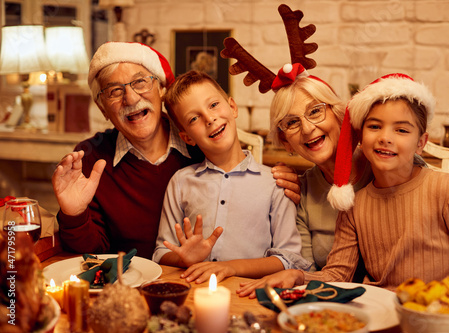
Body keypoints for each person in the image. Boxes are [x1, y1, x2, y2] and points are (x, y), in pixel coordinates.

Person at [238, 73, 449, 301]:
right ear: (361, 133)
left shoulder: (444, 187)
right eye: (375, 127)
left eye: (315, 111)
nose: (385, 137)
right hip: (375, 310)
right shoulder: (352, 203)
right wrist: (295, 276)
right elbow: (338, 273)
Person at [51, 42, 300, 259]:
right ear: (102, 107)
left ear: (161, 88)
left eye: (139, 82)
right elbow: (91, 252)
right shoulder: (90, 158)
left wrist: (285, 181)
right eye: (114, 91)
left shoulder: (204, 143)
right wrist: (74, 214)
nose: (130, 98)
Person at [152, 70, 310, 283]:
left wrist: (230, 268)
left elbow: (288, 259)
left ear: (232, 107)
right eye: (194, 118)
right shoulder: (180, 182)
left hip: (251, 296)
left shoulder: (274, 183)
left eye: (214, 105)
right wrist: (183, 259)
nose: (209, 118)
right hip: (194, 295)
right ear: (187, 137)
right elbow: (161, 253)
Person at [266, 64, 371, 272]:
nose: (307, 128)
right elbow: (307, 272)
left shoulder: (383, 165)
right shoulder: (301, 193)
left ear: (339, 114)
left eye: (315, 111)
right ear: (285, 141)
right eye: (292, 122)